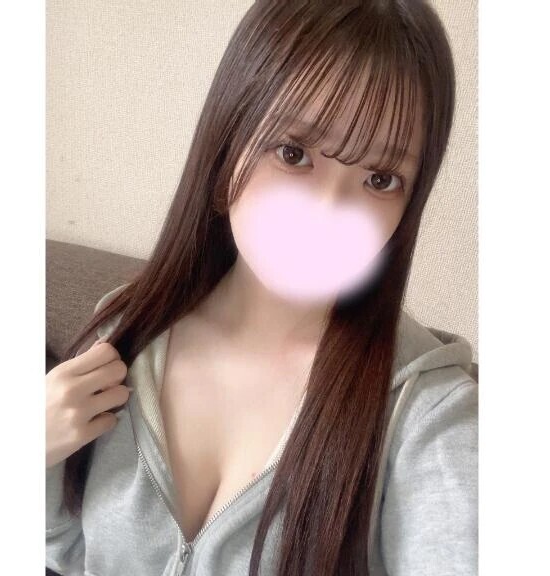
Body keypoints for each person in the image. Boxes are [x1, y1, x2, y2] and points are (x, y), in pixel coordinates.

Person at [46, 1, 478, 575]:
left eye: (380, 178)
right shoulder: (125, 334)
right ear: (228, 146)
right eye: (294, 154)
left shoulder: (425, 408)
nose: (327, 213)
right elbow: (75, 552)